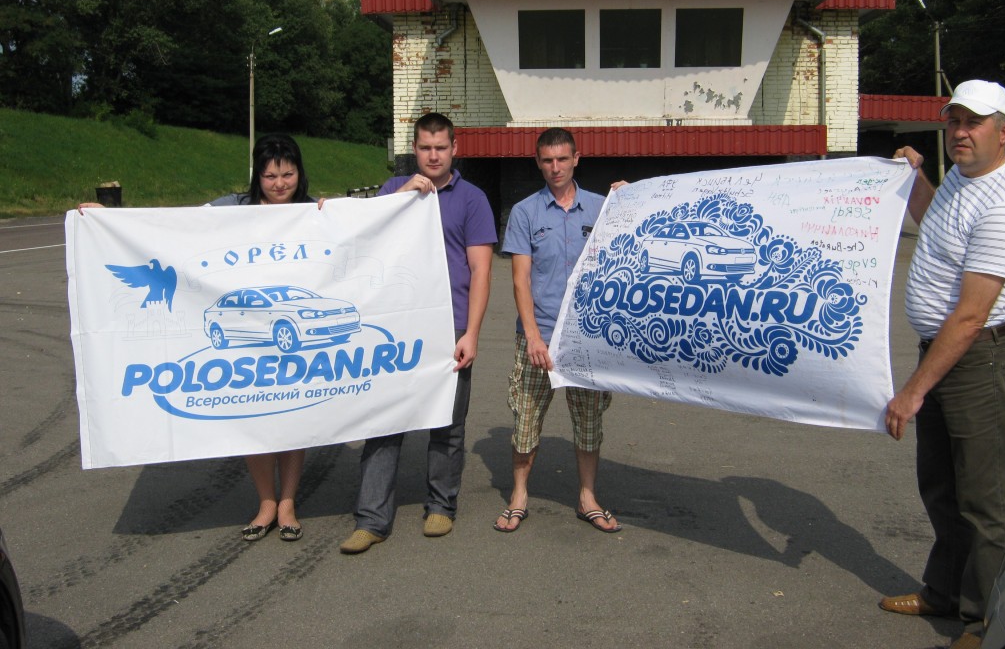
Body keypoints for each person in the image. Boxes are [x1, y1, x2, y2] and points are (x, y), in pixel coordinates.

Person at [80, 132, 318, 543]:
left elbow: (359, 224)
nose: (280, 184)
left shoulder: (314, 211)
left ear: (299, 173)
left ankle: (288, 504)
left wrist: (399, 196)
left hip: (288, 333)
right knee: (254, 418)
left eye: (288, 174)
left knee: (291, 418)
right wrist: (109, 219)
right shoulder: (232, 208)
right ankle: (265, 502)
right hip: (244, 334)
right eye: (270, 176)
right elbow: (175, 225)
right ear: (257, 177)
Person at [880, 81, 1005, 649]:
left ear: (1003, 132)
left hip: (975, 358)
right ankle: (943, 592)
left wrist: (911, 392)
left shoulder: (1004, 205)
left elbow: (969, 316)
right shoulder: (963, 180)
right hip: (943, 354)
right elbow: (934, 224)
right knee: (940, 485)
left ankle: (984, 621)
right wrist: (914, 179)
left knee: (985, 501)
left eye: (973, 123)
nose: (960, 133)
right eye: (954, 121)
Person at [339, 112, 496, 554]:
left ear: (454, 149)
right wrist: (401, 197)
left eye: (441, 147)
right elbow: (359, 234)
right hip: (396, 324)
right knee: (384, 421)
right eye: (425, 147)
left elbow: (482, 271)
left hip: (451, 324)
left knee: (447, 422)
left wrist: (472, 333)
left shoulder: (473, 199)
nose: (433, 155)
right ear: (414, 149)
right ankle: (372, 520)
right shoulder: (394, 189)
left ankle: (440, 506)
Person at [493, 127, 621, 534]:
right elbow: (520, 280)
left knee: (589, 421)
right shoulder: (525, 212)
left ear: (576, 159)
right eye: (547, 160)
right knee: (525, 419)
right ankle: (518, 496)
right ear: (538, 162)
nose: (555, 167)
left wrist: (633, 200)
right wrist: (532, 335)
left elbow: (634, 248)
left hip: (586, 336)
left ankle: (588, 498)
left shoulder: (602, 208)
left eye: (563, 159)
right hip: (539, 335)